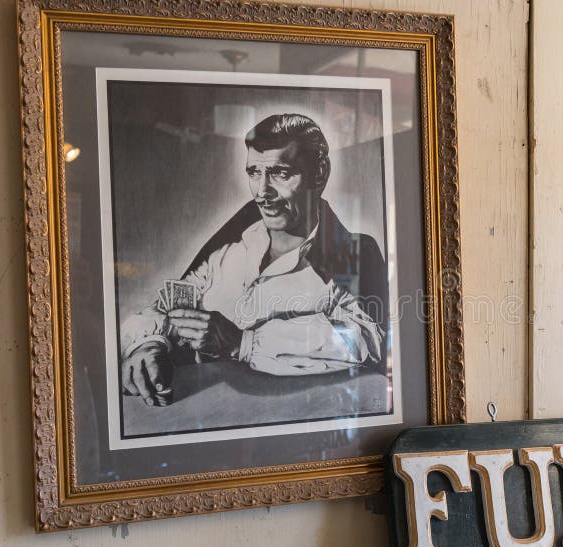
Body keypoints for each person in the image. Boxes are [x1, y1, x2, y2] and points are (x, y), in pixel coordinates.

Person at [120, 113, 387, 406]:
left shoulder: (349, 256)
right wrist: (148, 345)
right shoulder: (229, 251)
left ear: (319, 173)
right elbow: (167, 310)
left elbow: (362, 341)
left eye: (281, 173)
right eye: (254, 173)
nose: (262, 193)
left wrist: (242, 342)